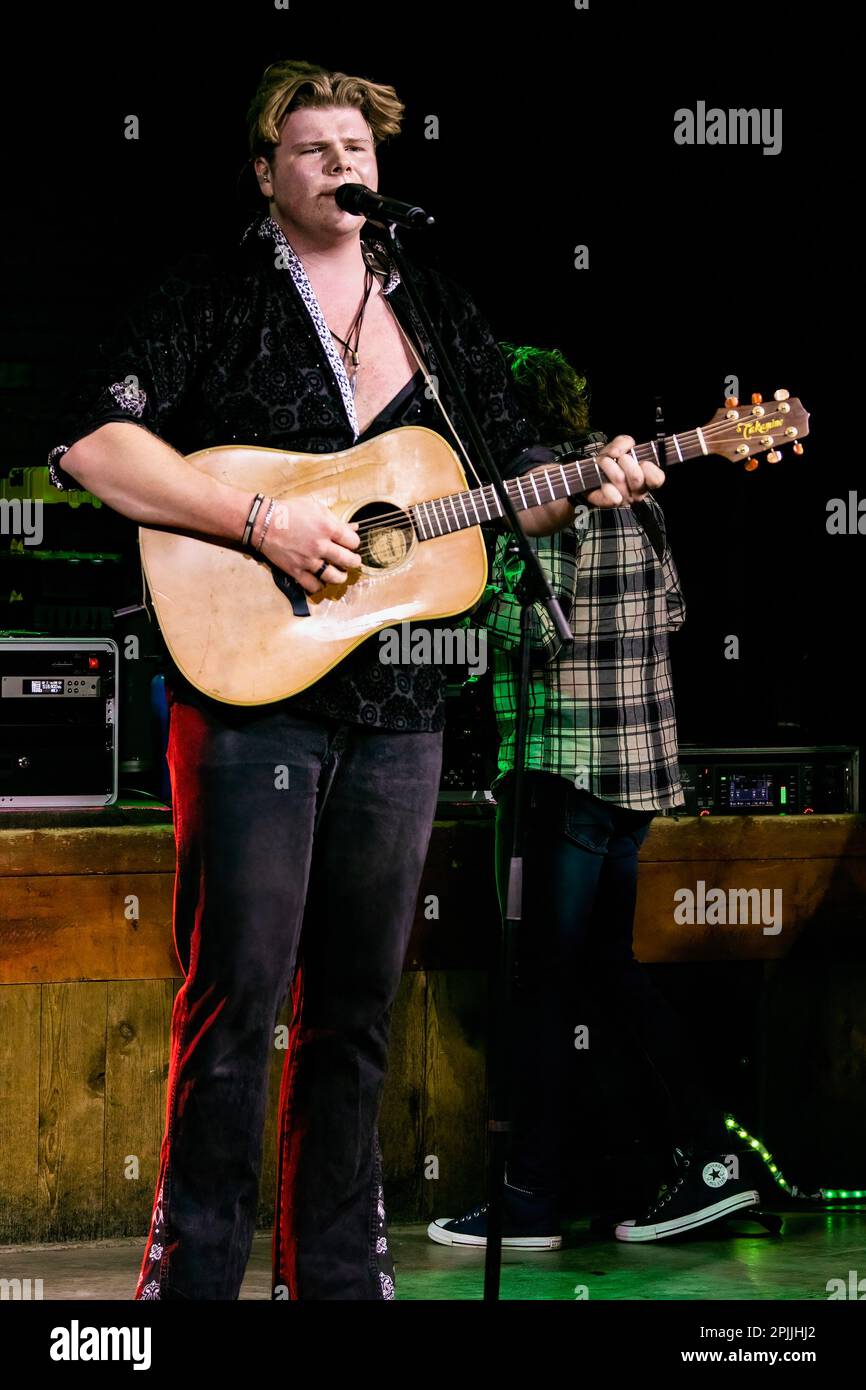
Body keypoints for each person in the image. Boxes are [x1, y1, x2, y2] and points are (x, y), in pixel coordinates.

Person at [46, 62, 664, 1299]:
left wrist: (591, 476)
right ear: (268, 170)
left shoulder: (431, 305)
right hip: (247, 696)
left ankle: (335, 1277)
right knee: (237, 1004)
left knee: (358, 1013)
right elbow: (92, 442)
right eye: (315, 148)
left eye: (359, 151)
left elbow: (506, 483)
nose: (343, 166)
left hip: (400, 708)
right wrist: (261, 518)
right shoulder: (213, 293)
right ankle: (190, 1283)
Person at [428, 345, 760, 1250]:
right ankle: (707, 1159)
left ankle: (529, 1201)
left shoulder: (543, 503)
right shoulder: (636, 497)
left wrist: (470, 577)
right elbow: (678, 613)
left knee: (539, 990)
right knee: (605, 972)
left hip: (562, 773)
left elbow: (521, 624)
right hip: (634, 778)